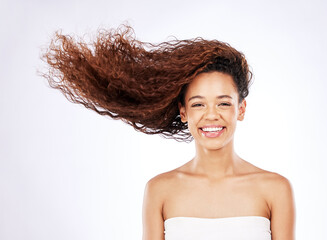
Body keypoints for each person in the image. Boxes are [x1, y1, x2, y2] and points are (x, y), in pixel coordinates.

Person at [41, 25, 295, 240]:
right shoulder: (159, 190)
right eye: (198, 104)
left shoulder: (275, 189)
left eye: (224, 103)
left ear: (241, 109)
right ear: (183, 112)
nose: (211, 115)